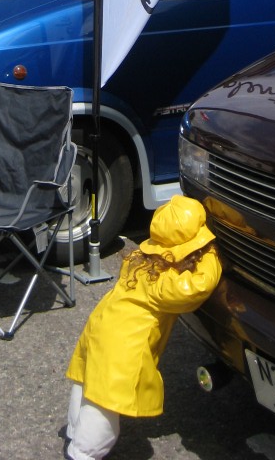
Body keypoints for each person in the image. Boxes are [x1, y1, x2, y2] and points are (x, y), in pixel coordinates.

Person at [64, 195, 222, 460]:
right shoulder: (166, 281)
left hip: (101, 325)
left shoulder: (138, 259)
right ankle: (82, 452)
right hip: (123, 343)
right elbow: (196, 287)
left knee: (88, 383)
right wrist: (212, 257)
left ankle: (73, 430)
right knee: (105, 403)